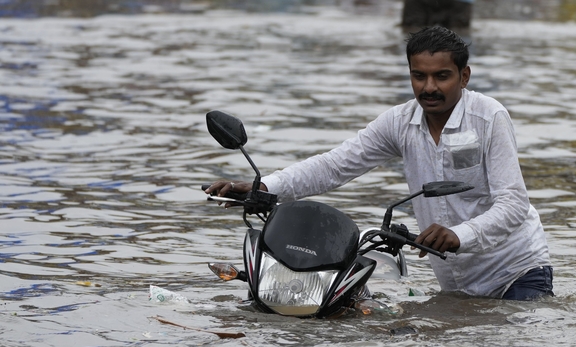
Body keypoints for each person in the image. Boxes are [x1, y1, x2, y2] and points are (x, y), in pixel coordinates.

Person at [206, 26, 554, 300]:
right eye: (419, 76)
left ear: (464, 76)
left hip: (516, 272)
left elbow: (513, 203)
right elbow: (336, 165)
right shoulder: (400, 122)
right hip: (455, 282)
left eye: (442, 77)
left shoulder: (489, 117)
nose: (429, 87)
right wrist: (263, 186)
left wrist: (459, 234)